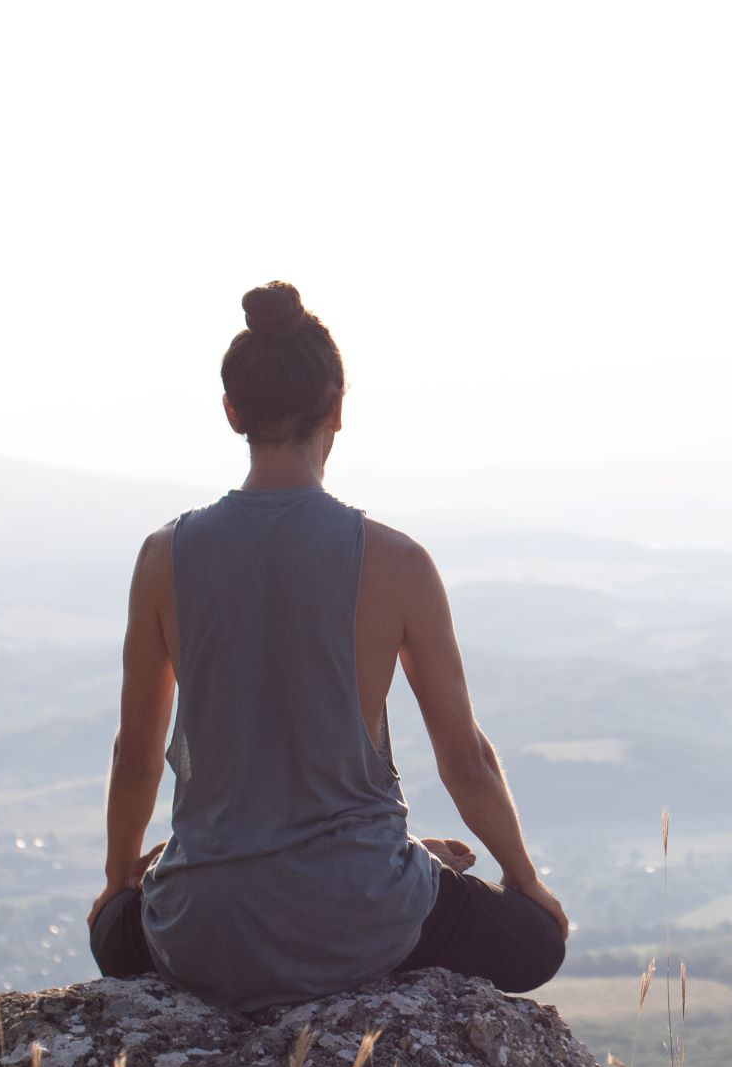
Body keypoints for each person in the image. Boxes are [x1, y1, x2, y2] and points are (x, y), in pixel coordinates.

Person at [86, 280, 567, 1010]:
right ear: (338, 408)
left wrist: (122, 881)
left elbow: (135, 756)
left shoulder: (163, 557)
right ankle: (398, 861)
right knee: (537, 942)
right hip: (361, 914)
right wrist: (525, 880)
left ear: (232, 412)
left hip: (206, 930)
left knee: (114, 933)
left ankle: (389, 861)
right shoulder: (398, 562)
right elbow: (464, 758)